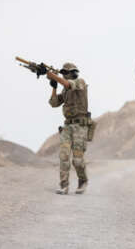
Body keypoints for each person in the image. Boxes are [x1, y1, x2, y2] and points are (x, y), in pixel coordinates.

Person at [47, 63, 90, 195]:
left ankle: (83, 181)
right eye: (63, 72)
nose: (64, 74)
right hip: (67, 126)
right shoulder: (65, 90)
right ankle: (64, 185)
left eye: (67, 72)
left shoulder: (80, 82)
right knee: (64, 155)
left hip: (80, 126)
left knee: (77, 159)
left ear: (74, 73)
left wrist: (52, 75)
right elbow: (54, 103)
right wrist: (54, 86)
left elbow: (68, 84)